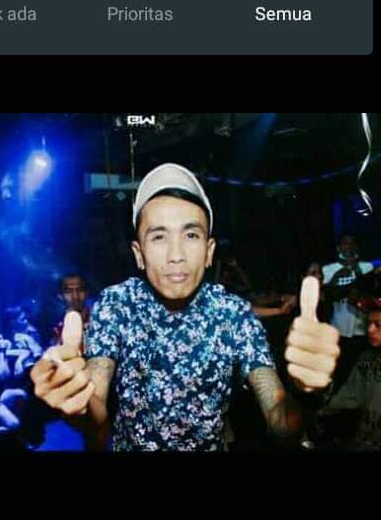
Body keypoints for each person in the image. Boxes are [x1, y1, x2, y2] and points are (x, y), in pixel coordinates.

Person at [31, 163, 340, 452]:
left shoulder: (232, 314)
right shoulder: (117, 304)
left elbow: (279, 422)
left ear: (209, 251)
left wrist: (305, 393)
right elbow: (96, 404)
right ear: (139, 254)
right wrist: (77, 399)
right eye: (159, 237)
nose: (176, 255)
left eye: (191, 235)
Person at [316, 302, 381, 451]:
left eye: (378, 325)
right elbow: (350, 395)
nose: (370, 330)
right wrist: (322, 410)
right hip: (366, 441)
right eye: (369, 323)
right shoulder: (367, 360)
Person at [322, 235, 373, 387]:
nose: (348, 247)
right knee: (341, 367)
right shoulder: (328, 269)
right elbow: (326, 296)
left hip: (362, 326)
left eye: (352, 243)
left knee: (362, 367)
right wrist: (337, 276)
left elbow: (370, 291)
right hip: (339, 327)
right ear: (338, 247)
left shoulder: (367, 267)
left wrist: (358, 272)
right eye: (345, 243)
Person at [51, 275, 93, 348]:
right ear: (60, 296)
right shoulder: (57, 328)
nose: (75, 296)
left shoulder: (98, 320)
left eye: (80, 290)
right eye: (69, 292)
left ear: (87, 293)